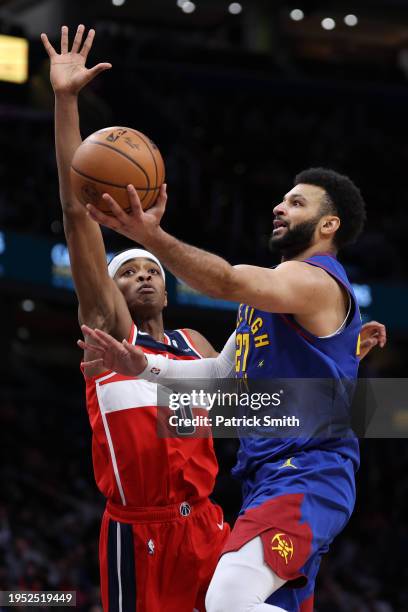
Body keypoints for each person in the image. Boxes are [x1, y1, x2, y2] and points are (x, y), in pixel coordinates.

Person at [83, 167, 386, 611]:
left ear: (329, 225)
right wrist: (143, 365)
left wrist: (151, 236)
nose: (280, 207)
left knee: (226, 599)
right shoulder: (266, 302)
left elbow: (223, 280)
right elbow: (222, 377)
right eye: (282, 199)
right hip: (267, 478)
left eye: (297, 203)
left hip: (307, 474)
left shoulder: (316, 280)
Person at [41, 25, 229, 612]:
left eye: (153, 270)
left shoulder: (195, 342)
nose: (144, 276)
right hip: (140, 532)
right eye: (128, 271)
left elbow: (257, 401)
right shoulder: (106, 329)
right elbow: (77, 212)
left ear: (168, 291)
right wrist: (66, 100)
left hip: (207, 524)